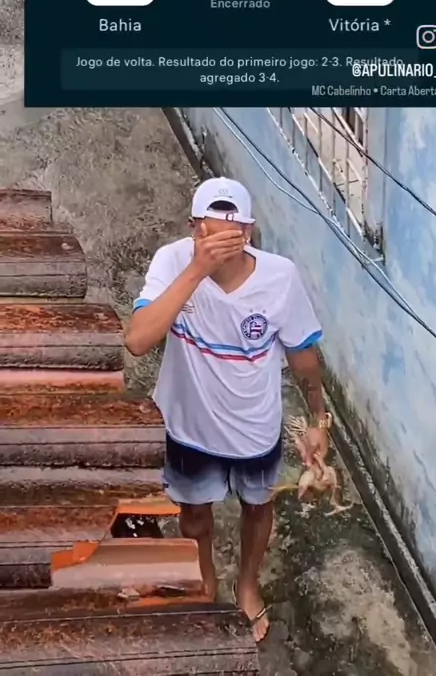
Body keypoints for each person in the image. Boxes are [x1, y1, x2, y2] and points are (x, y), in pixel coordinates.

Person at [124, 176, 331, 642]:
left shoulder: (280, 277)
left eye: (231, 237)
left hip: (254, 430)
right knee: (195, 514)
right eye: (209, 234)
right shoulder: (173, 261)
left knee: (258, 507)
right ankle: (205, 580)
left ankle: (247, 584)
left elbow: (303, 356)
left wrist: (319, 420)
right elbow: (137, 339)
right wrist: (197, 269)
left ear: (249, 232)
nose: (220, 247)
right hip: (188, 427)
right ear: (192, 228)